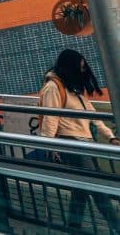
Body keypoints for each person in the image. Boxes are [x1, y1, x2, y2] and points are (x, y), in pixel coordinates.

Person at [39, 49, 120, 229]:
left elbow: (93, 116)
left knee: (81, 189)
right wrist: (49, 146)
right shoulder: (54, 87)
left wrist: (111, 137)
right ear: (71, 67)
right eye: (81, 68)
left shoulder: (73, 87)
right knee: (97, 187)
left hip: (86, 143)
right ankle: (117, 225)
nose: (83, 71)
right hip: (72, 143)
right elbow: (50, 119)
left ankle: (73, 226)